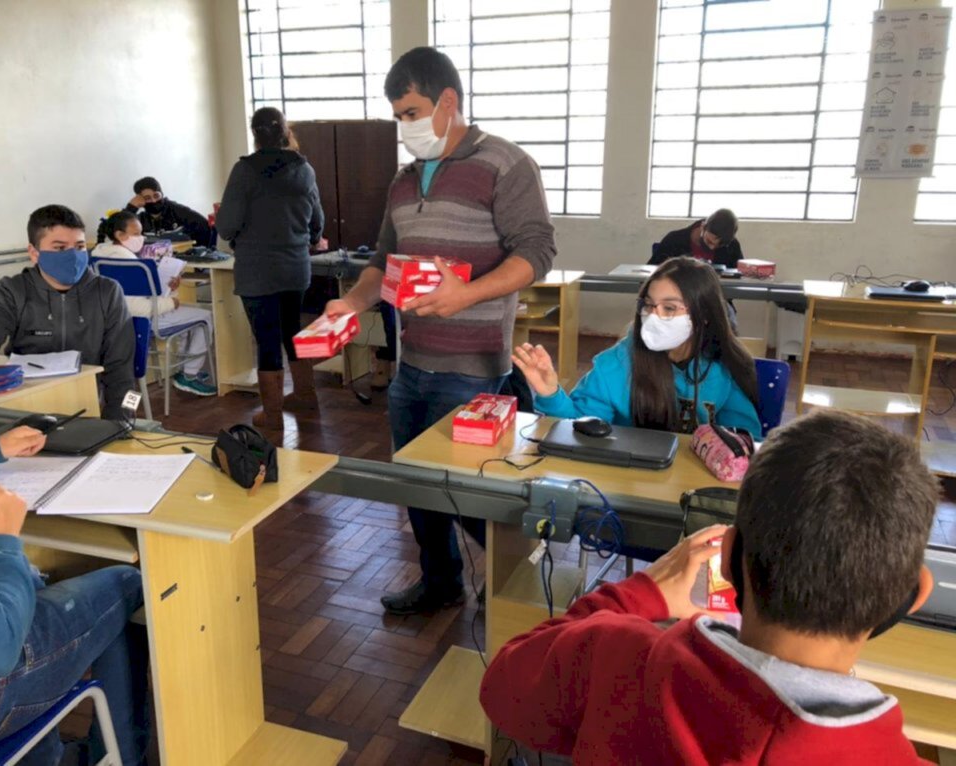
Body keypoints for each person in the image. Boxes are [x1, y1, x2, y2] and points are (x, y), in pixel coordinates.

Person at [480, 409, 939, 765]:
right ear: (913, 595)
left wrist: (641, 592)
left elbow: (503, 687)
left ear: (728, 556)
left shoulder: (618, 655)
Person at [323, 47, 557, 615]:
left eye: (411, 112)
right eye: (398, 117)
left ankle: (519, 590)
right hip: (412, 368)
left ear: (447, 102)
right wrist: (350, 304)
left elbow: (538, 252)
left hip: (474, 369)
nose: (405, 127)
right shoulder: (403, 181)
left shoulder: (505, 164)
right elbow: (382, 261)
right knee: (418, 490)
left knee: (472, 494)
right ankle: (441, 581)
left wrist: (467, 294)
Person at [0, 427, 149, 765]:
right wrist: (0, 541)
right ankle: (120, 754)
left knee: (29, 580)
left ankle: (43, 754)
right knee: (125, 584)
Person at [0, 205, 136, 421]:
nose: (73, 256)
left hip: (84, 403)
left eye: (79, 246)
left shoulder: (108, 292)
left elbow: (122, 368)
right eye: (59, 248)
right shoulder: (13, 290)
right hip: (24, 406)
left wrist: (124, 418)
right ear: (34, 253)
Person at [515, 257, 760, 435]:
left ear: (704, 313)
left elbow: (744, 440)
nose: (654, 316)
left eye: (670, 308)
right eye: (649, 305)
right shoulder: (617, 363)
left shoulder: (724, 365)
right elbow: (581, 426)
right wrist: (550, 394)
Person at [216, 106, 326, 430]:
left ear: (255, 135)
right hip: (295, 267)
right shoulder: (303, 168)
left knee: (266, 338)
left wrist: (238, 235)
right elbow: (317, 221)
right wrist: (308, 238)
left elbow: (226, 225)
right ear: (285, 132)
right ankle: (305, 395)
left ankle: (273, 414)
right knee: (293, 329)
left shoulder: (245, 171)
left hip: (257, 269)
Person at [94, 211, 217, 397]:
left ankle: (183, 370)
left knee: (187, 317)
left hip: (117, 323)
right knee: (206, 315)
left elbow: (135, 295)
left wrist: (169, 290)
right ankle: (189, 375)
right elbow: (139, 307)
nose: (141, 238)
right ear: (119, 235)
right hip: (144, 321)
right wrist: (171, 301)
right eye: (136, 234)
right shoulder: (131, 262)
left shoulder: (98, 255)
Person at [125, 176, 212, 247]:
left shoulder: (178, 211)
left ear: (162, 194)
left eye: (156, 195)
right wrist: (131, 208)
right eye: (147, 198)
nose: (154, 201)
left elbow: (205, 226)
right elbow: (118, 232)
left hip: (183, 262)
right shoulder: (140, 219)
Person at [650, 208, 743, 268]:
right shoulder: (674, 240)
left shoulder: (731, 246)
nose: (712, 248)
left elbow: (738, 275)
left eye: (718, 246)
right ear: (703, 226)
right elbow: (653, 271)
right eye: (709, 241)